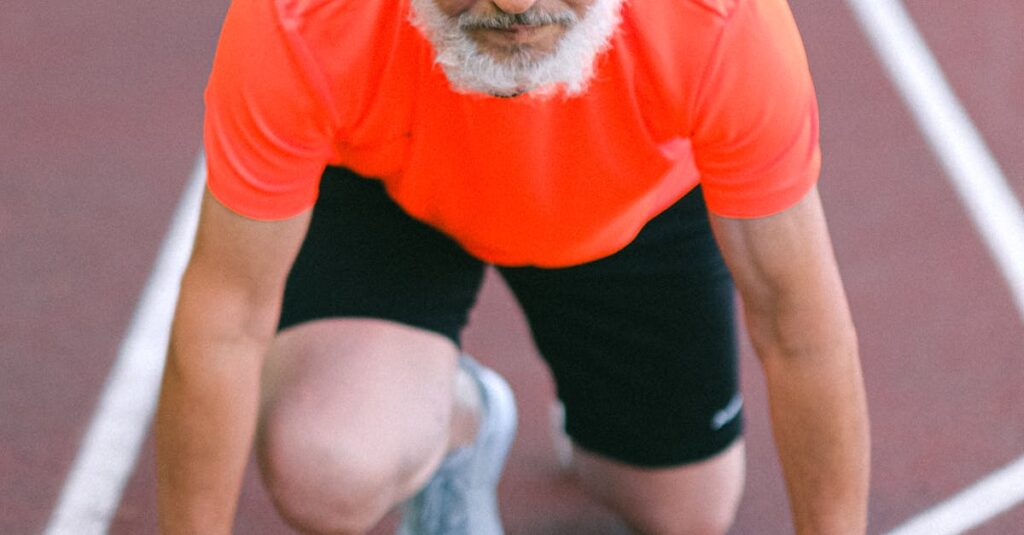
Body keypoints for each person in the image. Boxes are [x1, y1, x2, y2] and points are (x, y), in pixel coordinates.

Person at [155, 0, 871, 533]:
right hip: (392, 182)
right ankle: (460, 418)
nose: (515, 6)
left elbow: (798, 328)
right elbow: (225, 323)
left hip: (634, 201)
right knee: (327, 468)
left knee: (685, 513)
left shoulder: (722, 19)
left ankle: (598, 419)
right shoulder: (300, 16)